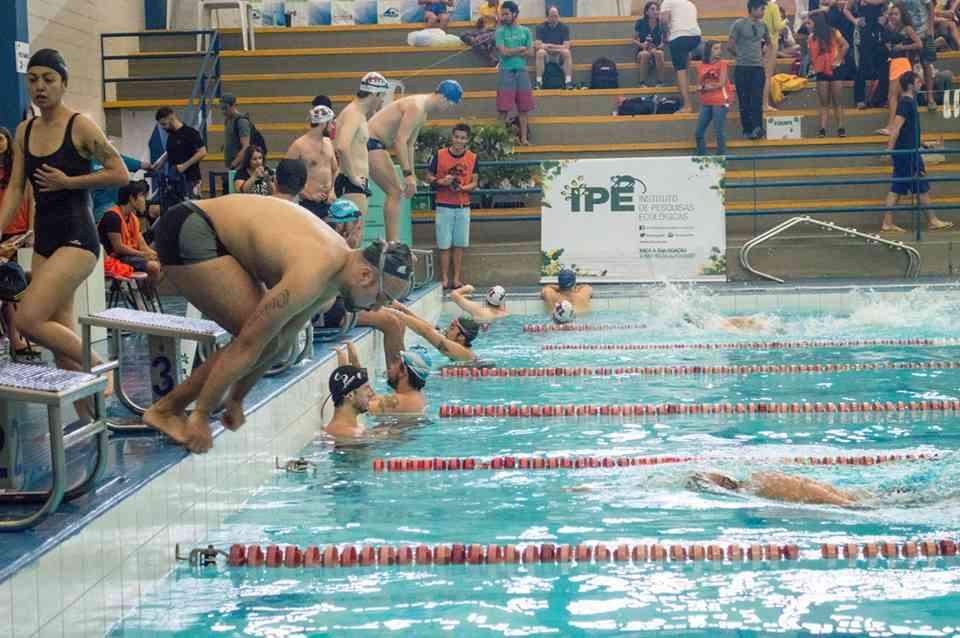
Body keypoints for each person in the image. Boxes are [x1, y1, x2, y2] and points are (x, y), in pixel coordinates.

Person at [145, 194, 414, 453]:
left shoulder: (335, 277)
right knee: (253, 336)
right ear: (365, 275)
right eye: (381, 297)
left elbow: (282, 342)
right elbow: (249, 341)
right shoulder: (315, 270)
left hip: (211, 234)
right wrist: (202, 416)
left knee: (271, 339)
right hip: (192, 227)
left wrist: (237, 398)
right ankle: (167, 410)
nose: (377, 308)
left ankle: (170, 409)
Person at [0, 49, 129, 415]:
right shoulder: (24, 130)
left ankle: (101, 369)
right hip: (46, 239)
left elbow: (120, 173)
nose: (40, 87)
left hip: (78, 237)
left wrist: (70, 182)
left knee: (28, 320)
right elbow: (16, 187)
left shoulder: (80, 126)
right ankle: (92, 424)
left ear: (63, 83)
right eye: (33, 80)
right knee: (59, 341)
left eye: (48, 79)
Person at [368, 81, 463, 243]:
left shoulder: (423, 112)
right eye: (450, 104)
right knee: (394, 192)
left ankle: (393, 242)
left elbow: (409, 145)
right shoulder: (417, 107)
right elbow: (399, 141)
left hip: (376, 143)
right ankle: (393, 244)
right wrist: (407, 174)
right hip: (370, 142)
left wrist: (412, 177)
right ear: (443, 98)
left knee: (395, 192)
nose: (448, 108)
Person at [880, 71, 954, 233]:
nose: (921, 83)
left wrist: (925, 144)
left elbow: (910, 130)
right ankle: (932, 220)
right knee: (921, 186)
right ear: (910, 85)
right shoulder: (906, 103)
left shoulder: (910, 102)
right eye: (918, 81)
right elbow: (896, 127)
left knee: (897, 189)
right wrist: (889, 149)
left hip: (908, 151)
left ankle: (887, 222)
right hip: (907, 153)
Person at [334, 72, 390, 247]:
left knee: (347, 238)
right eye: (382, 96)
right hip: (352, 183)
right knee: (352, 238)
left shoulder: (356, 113)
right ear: (375, 93)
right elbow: (341, 146)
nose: (382, 101)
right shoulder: (353, 114)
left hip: (353, 183)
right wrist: (353, 178)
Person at [0, 126, 38, 362]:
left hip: (20, 232)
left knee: (17, 284)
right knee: (9, 287)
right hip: (2, 232)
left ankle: (20, 337)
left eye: (1, 139)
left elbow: (31, 198)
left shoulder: (18, 168)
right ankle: (16, 339)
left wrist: (31, 229)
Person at [425, 123, 478, 289]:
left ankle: (456, 279)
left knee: (459, 244)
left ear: (467, 140)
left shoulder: (473, 157)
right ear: (452, 137)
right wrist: (441, 181)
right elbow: (428, 177)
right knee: (444, 244)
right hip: (444, 205)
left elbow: (474, 183)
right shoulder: (439, 155)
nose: (459, 141)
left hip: (463, 206)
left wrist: (462, 188)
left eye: (462, 138)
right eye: (456, 137)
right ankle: (444, 279)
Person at [334, 341, 430, 417]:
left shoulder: (400, 402)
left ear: (403, 371)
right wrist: (356, 364)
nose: (390, 366)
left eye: (395, 362)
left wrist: (344, 372)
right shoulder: (413, 396)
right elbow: (370, 398)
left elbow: (357, 408)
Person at [97, 180, 161, 282]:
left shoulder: (133, 218)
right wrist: (142, 254)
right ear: (131, 198)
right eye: (142, 196)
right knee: (154, 267)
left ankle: (145, 291)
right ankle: (148, 292)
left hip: (129, 256)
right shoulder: (112, 216)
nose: (145, 200)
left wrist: (155, 255)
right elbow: (118, 248)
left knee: (161, 260)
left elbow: (143, 245)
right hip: (114, 259)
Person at [687, 471, 866, 506]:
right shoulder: (756, 478)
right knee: (856, 499)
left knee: (852, 504)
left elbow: (699, 477)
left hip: (816, 494)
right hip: (818, 490)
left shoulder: (750, 489)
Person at [285, 104, 338, 220]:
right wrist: (308, 195)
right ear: (323, 124)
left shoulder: (328, 142)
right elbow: (286, 175)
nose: (333, 127)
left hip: (329, 202)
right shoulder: (299, 145)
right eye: (331, 123)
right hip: (308, 204)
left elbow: (335, 170)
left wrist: (333, 191)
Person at [878, 4, 923, 135]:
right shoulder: (891, 28)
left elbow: (919, 44)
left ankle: (891, 126)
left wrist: (902, 47)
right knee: (896, 96)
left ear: (902, 15)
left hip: (902, 62)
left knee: (892, 96)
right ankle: (896, 126)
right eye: (892, 14)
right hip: (894, 62)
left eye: (896, 14)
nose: (893, 16)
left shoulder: (906, 28)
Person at [728, 0, 770, 139]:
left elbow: (769, 42)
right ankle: (747, 129)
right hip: (742, 67)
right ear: (752, 9)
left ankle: (758, 127)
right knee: (744, 100)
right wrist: (741, 56)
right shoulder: (739, 24)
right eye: (761, 9)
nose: (763, 12)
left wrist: (763, 55)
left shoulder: (763, 25)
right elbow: (730, 45)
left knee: (757, 99)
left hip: (758, 68)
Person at [496, 1, 535, 145]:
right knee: (503, 109)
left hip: (522, 72)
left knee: (523, 109)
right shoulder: (500, 31)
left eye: (506, 14)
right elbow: (504, 53)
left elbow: (530, 52)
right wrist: (519, 49)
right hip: (506, 72)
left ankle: (523, 139)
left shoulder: (526, 31)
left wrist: (512, 51)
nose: (504, 17)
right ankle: (499, 141)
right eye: (502, 14)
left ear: (515, 14)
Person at [390, 300, 479, 362]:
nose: (447, 329)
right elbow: (429, 328)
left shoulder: (463, 353)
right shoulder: (456, 345)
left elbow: (426, 331)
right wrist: (403, 309)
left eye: (452, 327)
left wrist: (393, 313)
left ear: (461, 337)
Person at [807, 11, 849, 137]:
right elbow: (811, 57)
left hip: (836, 69)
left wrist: (838, 59)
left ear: (817, 23)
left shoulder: (834, 32)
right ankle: (822, 129)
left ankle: (841, 127)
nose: (807, 25)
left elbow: (846, 45)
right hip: (821, 71)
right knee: (824, 102)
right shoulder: (811, 38)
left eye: (809, 23)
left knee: (837, 101)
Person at [153, 106, 206, 200]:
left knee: (191, 207)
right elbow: (170, 151)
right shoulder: (171, 136)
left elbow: (202, 152)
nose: (163, 127)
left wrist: (184, 166)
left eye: (164, 124)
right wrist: (159, 162)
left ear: (171, 118)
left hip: (191, 179)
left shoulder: (190, 133)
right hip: (174, 180)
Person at [660, 0, 702, 113]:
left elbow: (663, 20)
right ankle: (688, 100)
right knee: (685, 68)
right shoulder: (689, 3)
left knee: (680, 70)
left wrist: (665, 36)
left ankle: (687, 105)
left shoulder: (667, 2)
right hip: (696, 37)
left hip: (679, 37)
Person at [847, 0, 889, 109]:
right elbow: (846, 10)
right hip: (865, 30)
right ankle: (860, 99)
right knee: (862, 65)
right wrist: (855, 20)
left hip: (879, 30)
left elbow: (886, 5)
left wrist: (885, 17)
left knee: (883, 65)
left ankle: (880, 99)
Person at [898, 0, 938, 112]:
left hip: (923, 32)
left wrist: (930, 28)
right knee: (908, 66)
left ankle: (930, 98)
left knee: (926, 64)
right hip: (909, 33)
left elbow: (930, 6)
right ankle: (911, 96)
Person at [695, 40, 732, 156]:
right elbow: (699, 85)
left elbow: (720, 83)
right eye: (715, 48)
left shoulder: (723, 64)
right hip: (706, 102)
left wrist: (704, 87)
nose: (719, 51)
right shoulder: (701, 65)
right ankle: (702, 157)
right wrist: (703, 87)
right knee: (698, 133)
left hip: (720, 100)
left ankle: (720, 157)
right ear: (708, 50)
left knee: (719, 131)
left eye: (719, 48)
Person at [323, 361, 375, 439]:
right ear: (350, 395)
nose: (372, 393)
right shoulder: (350, 435)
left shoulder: (355, 429)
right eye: (366, 388)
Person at [535, 6, 575, 90]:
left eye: (556, 16)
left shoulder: (564, 27)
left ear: (559, 16)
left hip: (559, 54)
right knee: (540, 52)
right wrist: (555, 47)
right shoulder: (540, 27)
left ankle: (568, 81)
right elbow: (538, 45)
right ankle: (539, 82)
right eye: (551, 16)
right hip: (546, 54)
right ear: (547, 17)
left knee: (567, 52)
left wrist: (550, 46)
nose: (554, 19)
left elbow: (567, 46)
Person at [762, 0, 787, 111]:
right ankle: (764, 104)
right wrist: (785, 21)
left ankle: (761, 104)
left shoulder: (757, 5)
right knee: (767, 76)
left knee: (761, 75)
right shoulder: (773, 6)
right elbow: (778, 27)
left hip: (759, 42)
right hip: (771, 42)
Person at [634, 1, 667, 86]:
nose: (655, 11)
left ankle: (661, 82)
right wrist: (642, 45)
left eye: (657, 9)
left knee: (659, 53)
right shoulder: (640, 22)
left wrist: (658, 47)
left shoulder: (661, 23)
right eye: (652, 9)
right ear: (646, 12)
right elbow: (634, 39)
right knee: (645, 54)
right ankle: (642, 83)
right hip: (643, 50)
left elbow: (665, 40)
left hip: (656, 50)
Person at [462, 0, 500, 65]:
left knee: (485, 39)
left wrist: (496, 11)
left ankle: (491, 57)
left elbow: (501, 27)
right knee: (463, 34)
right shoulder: (483, 7)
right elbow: (479, 25)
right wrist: (480, 23)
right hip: (483, 31)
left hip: (494, 32)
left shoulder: (501, 8)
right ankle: (475, 41)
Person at [221, 94, 253, 170]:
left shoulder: (241, 121)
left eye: (225, 108)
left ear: (233, 105)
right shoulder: (228, 120)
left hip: (239, 166)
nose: (223, 111)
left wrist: (234, 164)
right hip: (232, 165)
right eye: (222, 108)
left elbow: (246, 147)